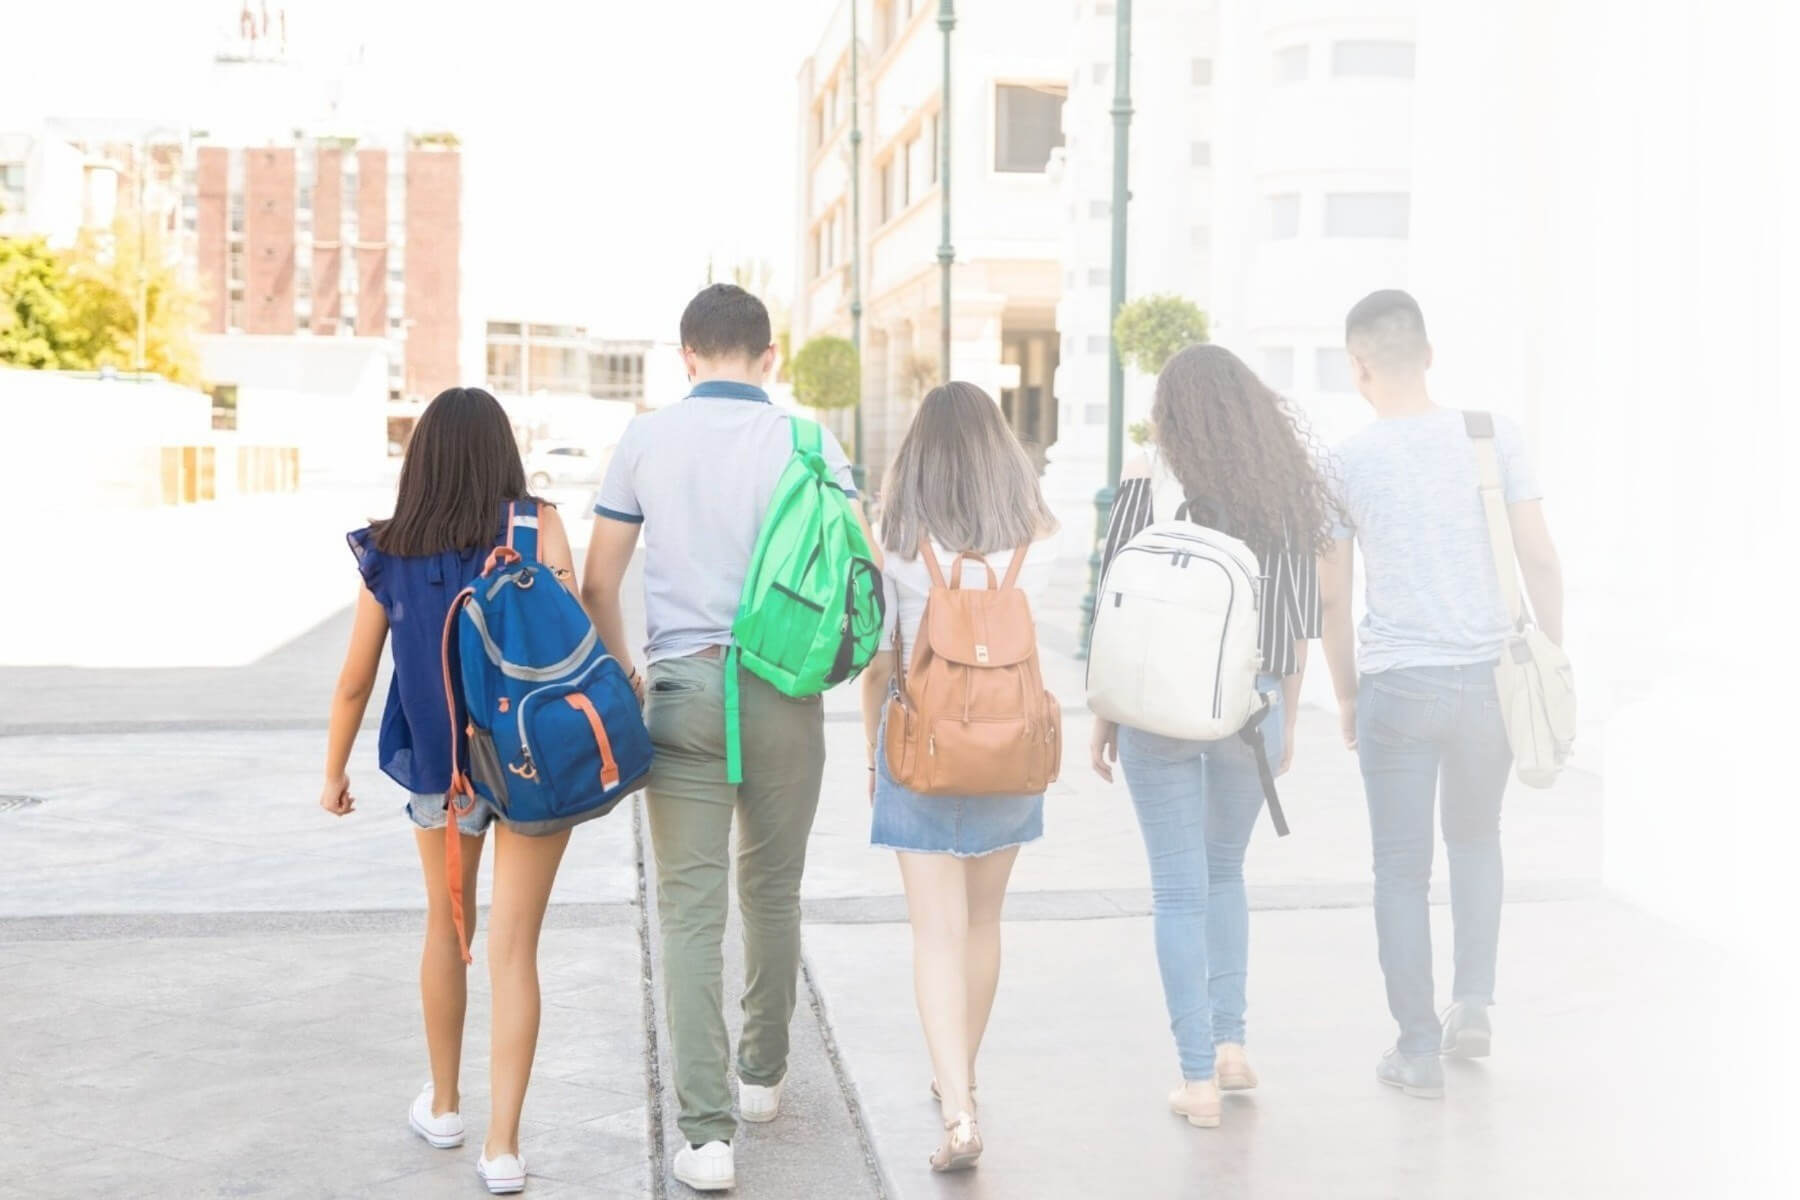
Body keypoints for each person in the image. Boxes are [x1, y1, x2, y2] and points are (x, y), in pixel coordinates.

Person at [580, 284, 872, 1194]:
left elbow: (598, 582)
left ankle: (706, 1139)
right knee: (773, 891)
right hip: (784, 689)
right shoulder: (810, 441)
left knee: (690, 912)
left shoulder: (645, 439)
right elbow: (855, 568)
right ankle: (762, 1078)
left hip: (680, 688)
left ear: (687, 355)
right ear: (770, 357)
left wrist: (626, 669)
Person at [323, 386, 588, 1196]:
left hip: (443, 768)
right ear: (503, 452)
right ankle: (503, 1149)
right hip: (534, 761)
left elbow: (356, 679)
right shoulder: (537, 526)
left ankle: (443, 1107)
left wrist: (333, 770)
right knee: (515, 947)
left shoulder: (392, 546)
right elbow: (572, 636)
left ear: (424, 458)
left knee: (448, 926)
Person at [1319, 289, 1565, 1099]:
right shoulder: (1493, 437)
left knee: (1399, 869)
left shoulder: (1345, 463)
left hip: (1397, 685)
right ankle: (1475, 1003)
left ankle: (1418, 1049)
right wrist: (1552, 655)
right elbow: (1540, 559)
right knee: (1476, 839)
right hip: (1490, 681)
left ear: (1358, 368)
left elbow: (1331, 596)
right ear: (1428, 355)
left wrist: (1346, 695)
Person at [1089, 344, 1333, 1129]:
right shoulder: (1281, 482)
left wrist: (1104, 715)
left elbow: (1114, 601)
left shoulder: (1145, 476)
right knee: (1225, 871)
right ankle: (1231, 1046)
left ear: (1169, 411)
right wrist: (1285, 713)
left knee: (1177, 889)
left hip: (1156, 705)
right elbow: (1296, 620)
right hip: (1251, 704)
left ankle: (1196, 1081)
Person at [857, 382, 1059, 1172]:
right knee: (982, 925)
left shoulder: (899, 542)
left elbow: (880, 662)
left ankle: (960, 1111)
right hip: (1012, 750)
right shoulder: (1039, 541)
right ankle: (959, 1080)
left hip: (921, 748)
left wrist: (871, 756)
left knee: (935, 932)